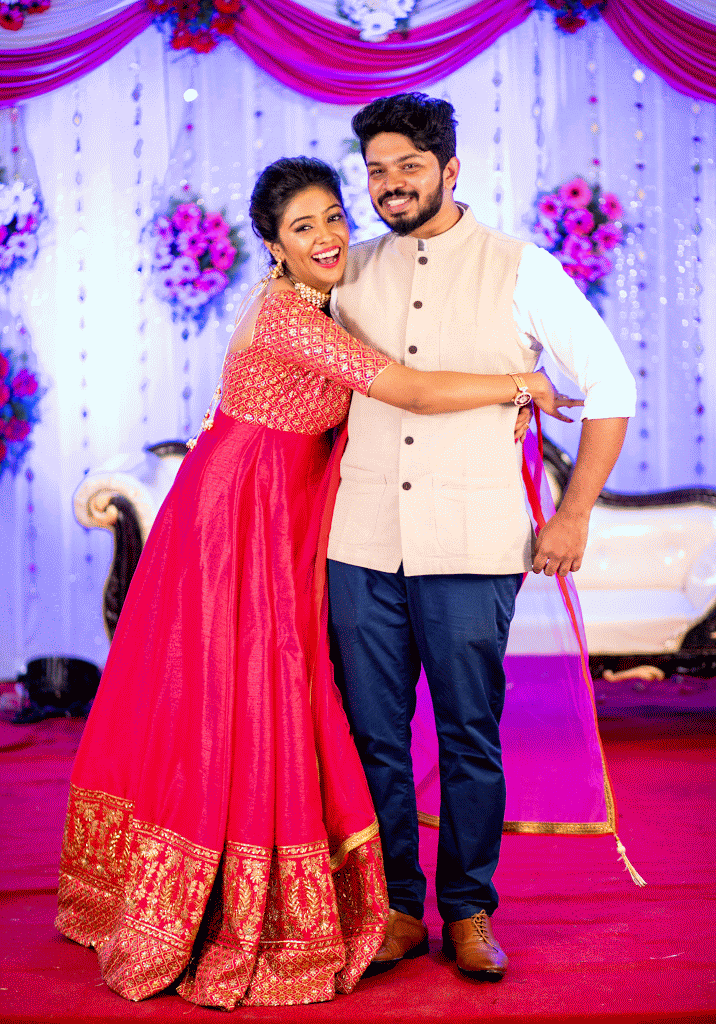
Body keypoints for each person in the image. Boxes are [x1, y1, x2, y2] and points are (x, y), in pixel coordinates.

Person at [55, 156, 579, 1009]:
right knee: (246, 697)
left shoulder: (341, 297)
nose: (328, 235)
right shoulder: (288, 314)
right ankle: (224, 899)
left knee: (296, 695)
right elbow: (407, 389)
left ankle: (418, 901)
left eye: (334, 216)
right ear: (274, 246)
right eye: (303, 227)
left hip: (297, 511)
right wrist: (522, 384)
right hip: (241, 514)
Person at [326, 94, 638, 980]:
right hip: (360, 541)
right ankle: (395, 909)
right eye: (377, 170)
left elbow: (611, 385)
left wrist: (573, 513)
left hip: (474, 542)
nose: (391, 185)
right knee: (373, 736)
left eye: (409, 167)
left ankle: (468, 911)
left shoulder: (520, 268)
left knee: (468, 733)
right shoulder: (346, 272)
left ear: (451, 169)